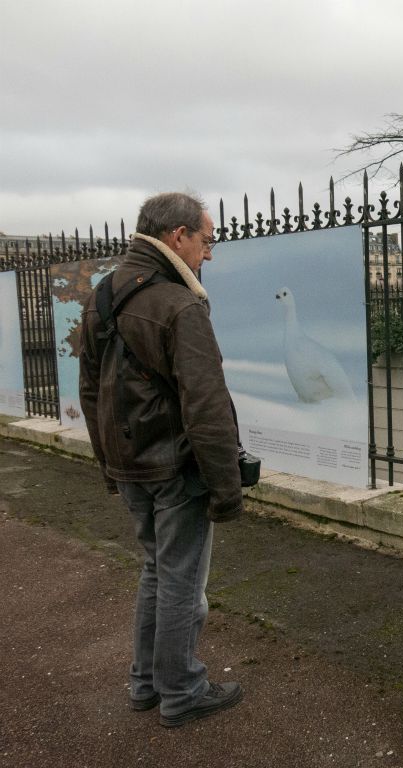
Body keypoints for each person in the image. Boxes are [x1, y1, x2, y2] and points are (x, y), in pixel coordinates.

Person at [79, 191, 244, 728]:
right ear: (179, 237)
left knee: (156, 570)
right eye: (207, 239)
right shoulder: (179, 304)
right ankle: (182, 691)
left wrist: (109, 463)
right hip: (175, 468)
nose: (210, 253)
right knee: (180, 581)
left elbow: (90, 390)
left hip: (130, 465)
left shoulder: (105, 294)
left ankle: (146, 683)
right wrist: (226, 487)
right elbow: (207, 404)